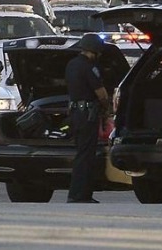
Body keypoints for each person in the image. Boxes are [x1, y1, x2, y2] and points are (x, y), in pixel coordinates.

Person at [65, 33, 110, 203]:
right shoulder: (90, 67)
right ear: (95, 51)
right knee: (86, 156)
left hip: (76, 114)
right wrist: (107, 109)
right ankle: (81, 195)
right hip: (88, 115)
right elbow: (102, 94)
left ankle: (77, 193)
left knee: (81, 154)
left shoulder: (71, 64)